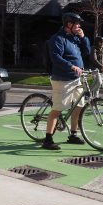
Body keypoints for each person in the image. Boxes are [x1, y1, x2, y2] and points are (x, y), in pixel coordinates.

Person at [42, 12, 91, 150]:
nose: (79, 26)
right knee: (57, 109)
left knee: (78, 107)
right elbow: (56, 57)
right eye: (77, 23)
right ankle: (48, 139)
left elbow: (87, 51)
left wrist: (83, 38)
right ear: (69, 24)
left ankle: (73, 135)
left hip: (76, 78)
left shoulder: (74, 38)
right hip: (62, 79)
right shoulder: (57, 39)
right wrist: (71, 66)